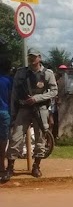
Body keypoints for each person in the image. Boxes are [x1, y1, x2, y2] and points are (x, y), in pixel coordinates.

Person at [3, 48, 58, 180]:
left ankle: (36, 166)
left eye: (34, 57)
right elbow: (14, 95)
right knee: (15, 137)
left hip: (40, 109)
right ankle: (10, 168)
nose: (32, 59)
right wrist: (14, 111)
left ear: (40, 57)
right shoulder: (21, 73)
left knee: (40, 139)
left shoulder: (47, 74)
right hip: (24, 108)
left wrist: (37, 98)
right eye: (30, 57)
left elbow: (54, 91)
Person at [0, 56, 12, 183]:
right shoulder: (9, 80)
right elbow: (12, 98)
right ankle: (2, 168)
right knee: (3, 142)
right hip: (4, 113)